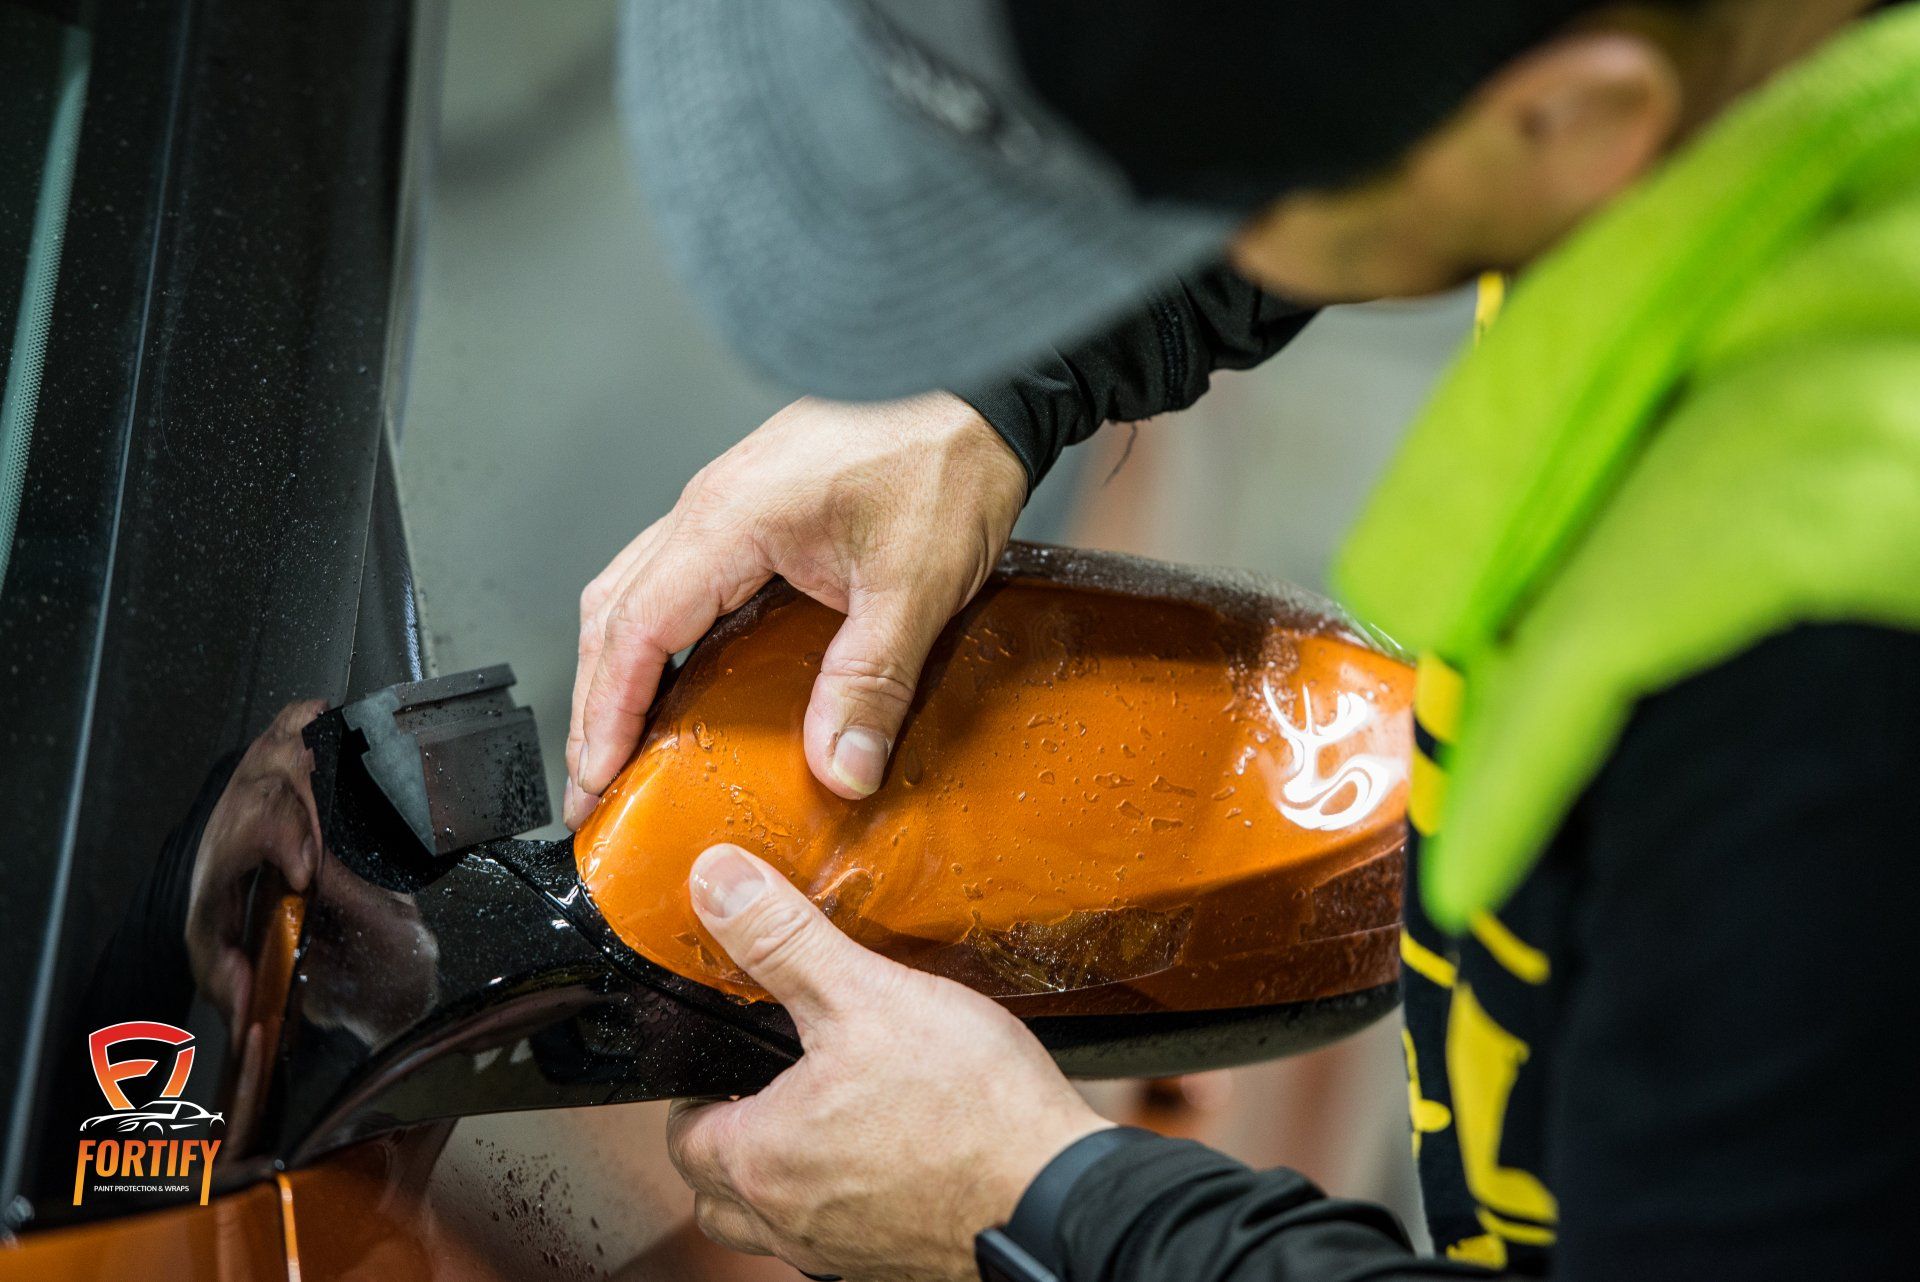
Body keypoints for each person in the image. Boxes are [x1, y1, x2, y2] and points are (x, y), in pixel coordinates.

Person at [571, 1, 1920, 1279]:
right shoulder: (1723, 57)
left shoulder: (1817, 713)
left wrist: (1044, 1207)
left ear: (1570, 122)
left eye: (1208, 198)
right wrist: (991, 381)